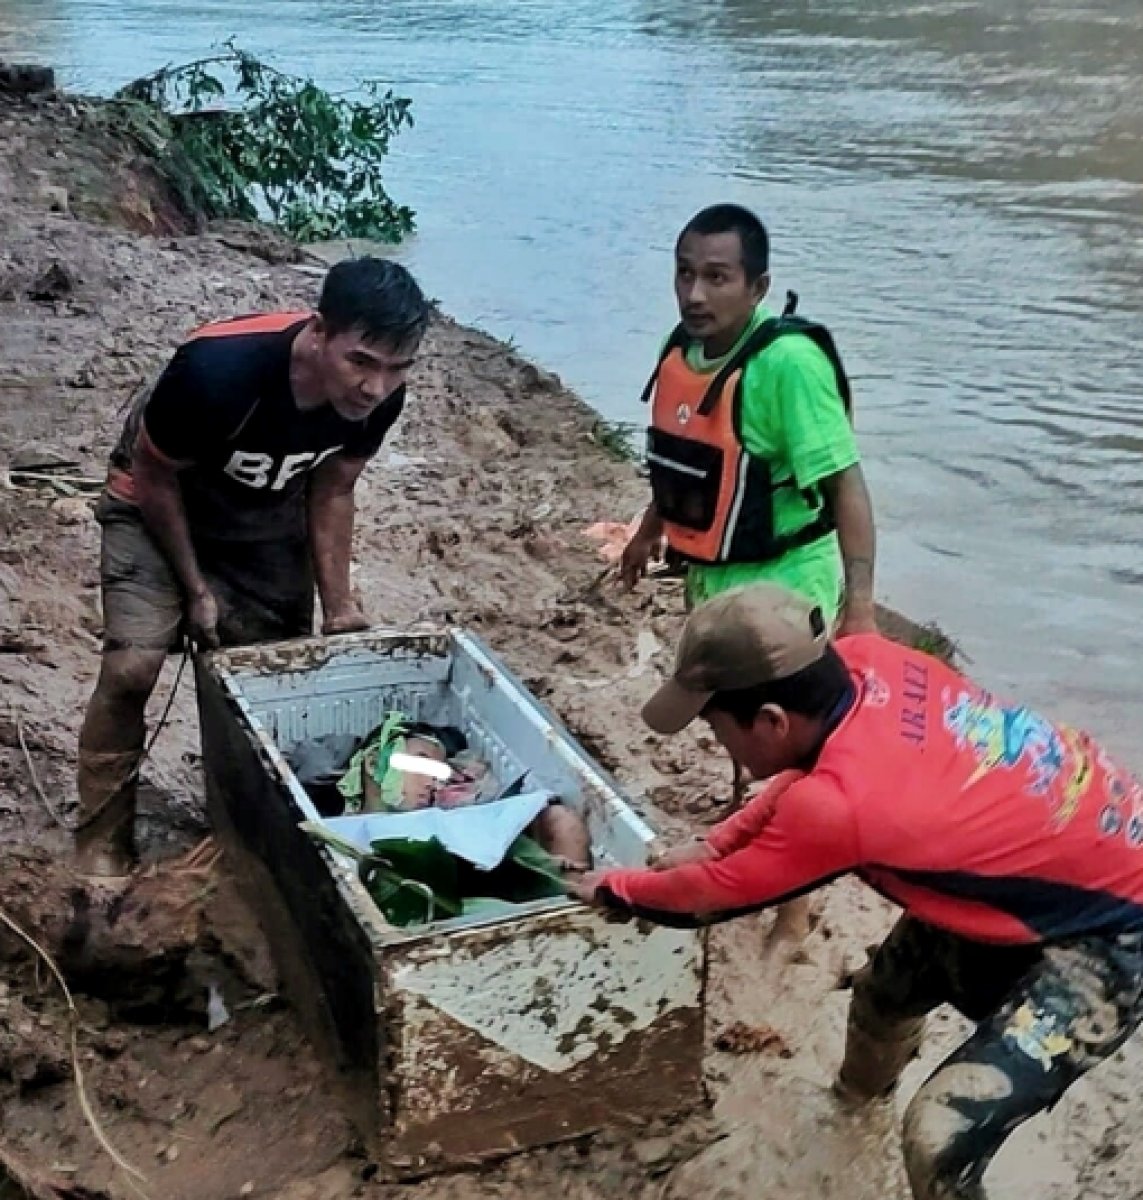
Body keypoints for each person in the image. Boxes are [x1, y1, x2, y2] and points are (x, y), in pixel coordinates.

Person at [568, 583, 1143, 1200]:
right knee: (883, 998)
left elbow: (710, 897)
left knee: (938, 1134)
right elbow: (808, 774)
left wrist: (614, 888)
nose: (718, 746)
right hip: (1056, 845)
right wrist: (719, 840)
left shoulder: (844, 808)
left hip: (1114, 929)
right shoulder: (869, 659)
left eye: (716, 729)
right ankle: (852, 1119)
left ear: (770, 721)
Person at [76, 257, 430, 879]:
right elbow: (154, 476)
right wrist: (195, 589)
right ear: (319, 332)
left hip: (263, 514)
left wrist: (340, 606)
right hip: (160, 500)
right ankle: (101, 837)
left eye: (397, 369)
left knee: (268, 682)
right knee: (132, 668)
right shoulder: (218, 371)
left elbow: (333, 490)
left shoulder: (380, 400)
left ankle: (240, 827)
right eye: (362, 362)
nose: (375, 387)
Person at [620, 203, 876, 637]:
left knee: (769, 705)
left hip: (784, 582)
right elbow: (685, 461)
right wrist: (647, 533)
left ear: (757, 288)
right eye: (685, 274)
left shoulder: (789, 365)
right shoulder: (679, 348)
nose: (695, 294)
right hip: (709, 576)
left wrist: (861, 614)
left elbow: (845, 484)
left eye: (716, 277)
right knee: (719, 704)